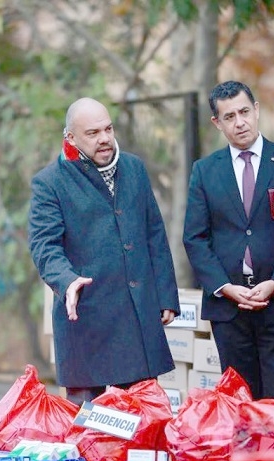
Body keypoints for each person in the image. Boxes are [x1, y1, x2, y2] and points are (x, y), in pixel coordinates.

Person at [28, 97, 179, 406]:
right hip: (86, 321)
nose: (105, 139)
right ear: (70, 137)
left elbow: (154, 234)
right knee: (88, 432)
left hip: (137, 319)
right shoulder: (49, 182)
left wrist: (165, 296)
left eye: (108, 129)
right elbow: (45, 246)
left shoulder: (134, 168)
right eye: (93, 133)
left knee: (144, 421)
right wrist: (67, 281)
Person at [183, 80, 274, 401]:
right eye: (229, 117)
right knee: (240, 401)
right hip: (229, 309)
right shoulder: (205, 171)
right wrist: (225, 288)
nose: (239, 122)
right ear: (217, 123)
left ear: (256, 110)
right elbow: (195, 238)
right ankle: (245, 454)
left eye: (244, 111)